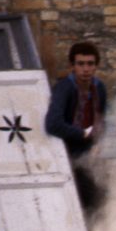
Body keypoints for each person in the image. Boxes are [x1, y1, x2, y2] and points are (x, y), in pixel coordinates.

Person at [45, 41, 108, 219]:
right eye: (81, 64)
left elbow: (100, 119)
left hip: (87, 159)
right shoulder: (64, 88)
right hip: (64, 157)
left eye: (90, 64)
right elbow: (52, 124)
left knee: (101, 202)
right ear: (72, 66)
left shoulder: (99, 88)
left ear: (96, 66)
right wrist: (83, 134)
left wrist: (96, 141)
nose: (86, 69)